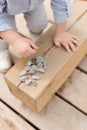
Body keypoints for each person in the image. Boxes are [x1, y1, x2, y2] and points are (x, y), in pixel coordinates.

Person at [0, 0, 79, 73]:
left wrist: (61, 32)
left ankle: (36, 34)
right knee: (6, 35)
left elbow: (61, 2)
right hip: (3, 10)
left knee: (39, 24)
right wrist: (15, 40)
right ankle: (2, 50)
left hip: (35, 3)